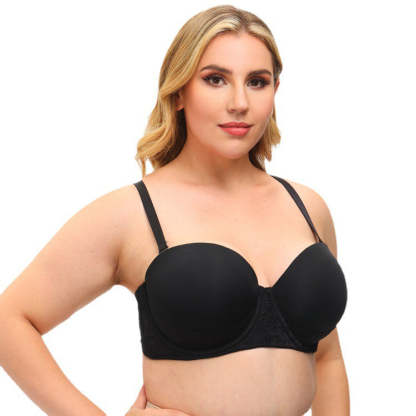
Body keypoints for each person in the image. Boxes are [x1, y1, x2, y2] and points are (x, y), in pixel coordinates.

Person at [0, 5, 349, 416]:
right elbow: (9, 320)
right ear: (179, 91)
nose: (240, 102)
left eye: (257, 81)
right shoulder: (132, 213)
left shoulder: (307, 207)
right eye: (215, 79)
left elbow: (327, 357)